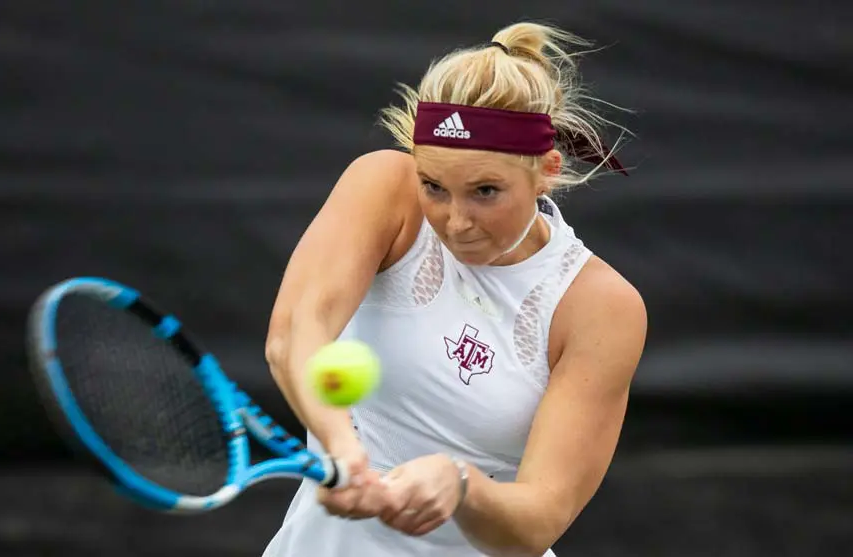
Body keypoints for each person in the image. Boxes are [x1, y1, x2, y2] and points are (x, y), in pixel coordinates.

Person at [261, 20, 647, 557]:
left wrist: (460, 484)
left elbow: (536, 524)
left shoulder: (602, 307)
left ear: (547, 171)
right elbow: (295, 334)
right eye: (434, 187)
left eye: (485, 191)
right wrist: (344, 449)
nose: (456, 221)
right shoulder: (384, 187)